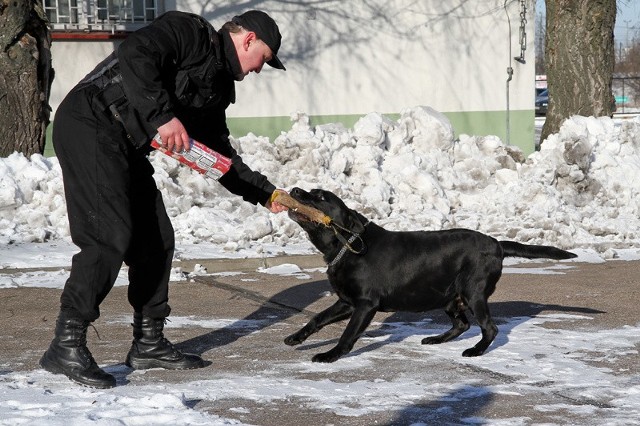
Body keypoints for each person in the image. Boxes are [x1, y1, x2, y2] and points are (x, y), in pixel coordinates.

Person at [41, 10, 289, 388]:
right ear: (249, 39)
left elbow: (216, 153)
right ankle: (66, 342)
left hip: (126, 145)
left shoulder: (216, 87)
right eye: (264, 60)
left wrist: (263, 192)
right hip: (90, 119)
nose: (260, 70)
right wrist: (162, 116)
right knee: (108, 235)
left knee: (156, 239)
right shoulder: (189, 32)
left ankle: (149, 342)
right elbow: (136, 53)